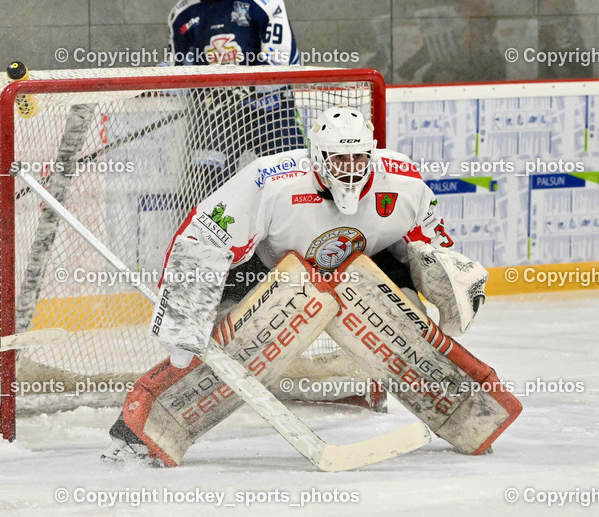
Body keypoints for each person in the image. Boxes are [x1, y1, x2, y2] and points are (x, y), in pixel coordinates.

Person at [102, 106, 485, 465]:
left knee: (410, 325)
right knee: (236, 340)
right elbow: (202, 242)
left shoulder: (403, 180)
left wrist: (448, 312)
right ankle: (147, 424)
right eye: (339, 159)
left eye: (358, 158)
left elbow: (433, 251)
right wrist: (182, 335)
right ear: (318, 156)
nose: (350, 170)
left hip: (368, 260)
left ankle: (470, 411)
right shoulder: (271, 179)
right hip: (270, 265)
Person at [169, 0, 305, 202]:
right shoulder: (183, 13)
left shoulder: (264, 0)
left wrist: (249, 86)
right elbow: (178, 67)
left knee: (293, 180)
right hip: (217, 115)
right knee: (206, 185)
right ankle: (212, 243)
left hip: (270, 111)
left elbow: (283, 58)